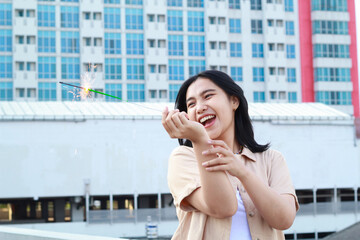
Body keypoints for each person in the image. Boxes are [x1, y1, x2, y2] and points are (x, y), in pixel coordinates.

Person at [162, 70, 299, 240]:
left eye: (208, 96)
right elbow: (223, 207)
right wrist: (200, 140)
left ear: (234, 101)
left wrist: (242, 172)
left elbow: (284, 219)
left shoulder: (271, 159)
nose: (199, 107)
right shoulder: (183, 158)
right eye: (191, 104)